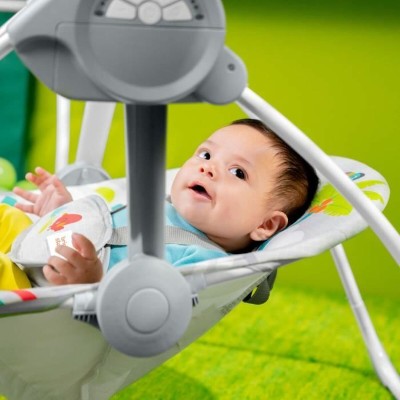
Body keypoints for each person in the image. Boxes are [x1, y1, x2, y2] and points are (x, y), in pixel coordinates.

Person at [1, 118, 319, 288]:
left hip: (32, 287)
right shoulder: (152, 203)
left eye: (238, 172)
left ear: (266, 224)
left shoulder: (202, 263)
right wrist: (60, 211)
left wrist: (93, 284)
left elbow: (144, 311)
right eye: (206, 154)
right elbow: (98, 230)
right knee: (7, 215)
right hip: (33, 246)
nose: (208, 168)